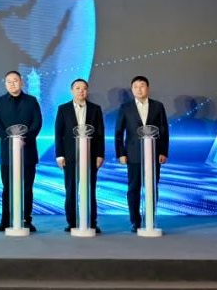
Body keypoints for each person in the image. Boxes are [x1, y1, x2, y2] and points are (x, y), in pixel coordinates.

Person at [115, 75, 170, 232]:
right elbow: (119, 132)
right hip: (133, 154)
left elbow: (164, 130)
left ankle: (150, 219)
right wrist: (121, 153)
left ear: (148, 88)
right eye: (136, 87)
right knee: (134, 188)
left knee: (152, 187)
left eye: (142, 86)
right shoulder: (125, 107)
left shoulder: (158, 106)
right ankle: (135, 221)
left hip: (154, 154)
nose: (139, 89)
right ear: (132, 89)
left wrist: (163, 151)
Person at [0, 70, 42, 232]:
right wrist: (11, 139)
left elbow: (37, 123)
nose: (12, 84)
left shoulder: (32, 101)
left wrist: (23, 138)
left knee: (27, 188)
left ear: (21, 82)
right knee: (7, 188)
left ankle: (26, 219)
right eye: (9, 81)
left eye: (15, 81)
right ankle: (6, 220)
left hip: (27, 151)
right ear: (5, 84)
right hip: (8, 152)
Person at [54, 78, 104, 233]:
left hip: (91, 156)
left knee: (90, 189)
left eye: (84, 88)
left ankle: (92, 222)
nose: (81, 91)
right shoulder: (63, 109)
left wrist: (100, 154)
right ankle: (72, 222)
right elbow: (58, 134)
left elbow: (100, 134)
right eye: (77, 88)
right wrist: (60, 155)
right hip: (70, 156)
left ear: (87, 91)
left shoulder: (95, 109)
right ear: (72, 91)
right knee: (71, 190)